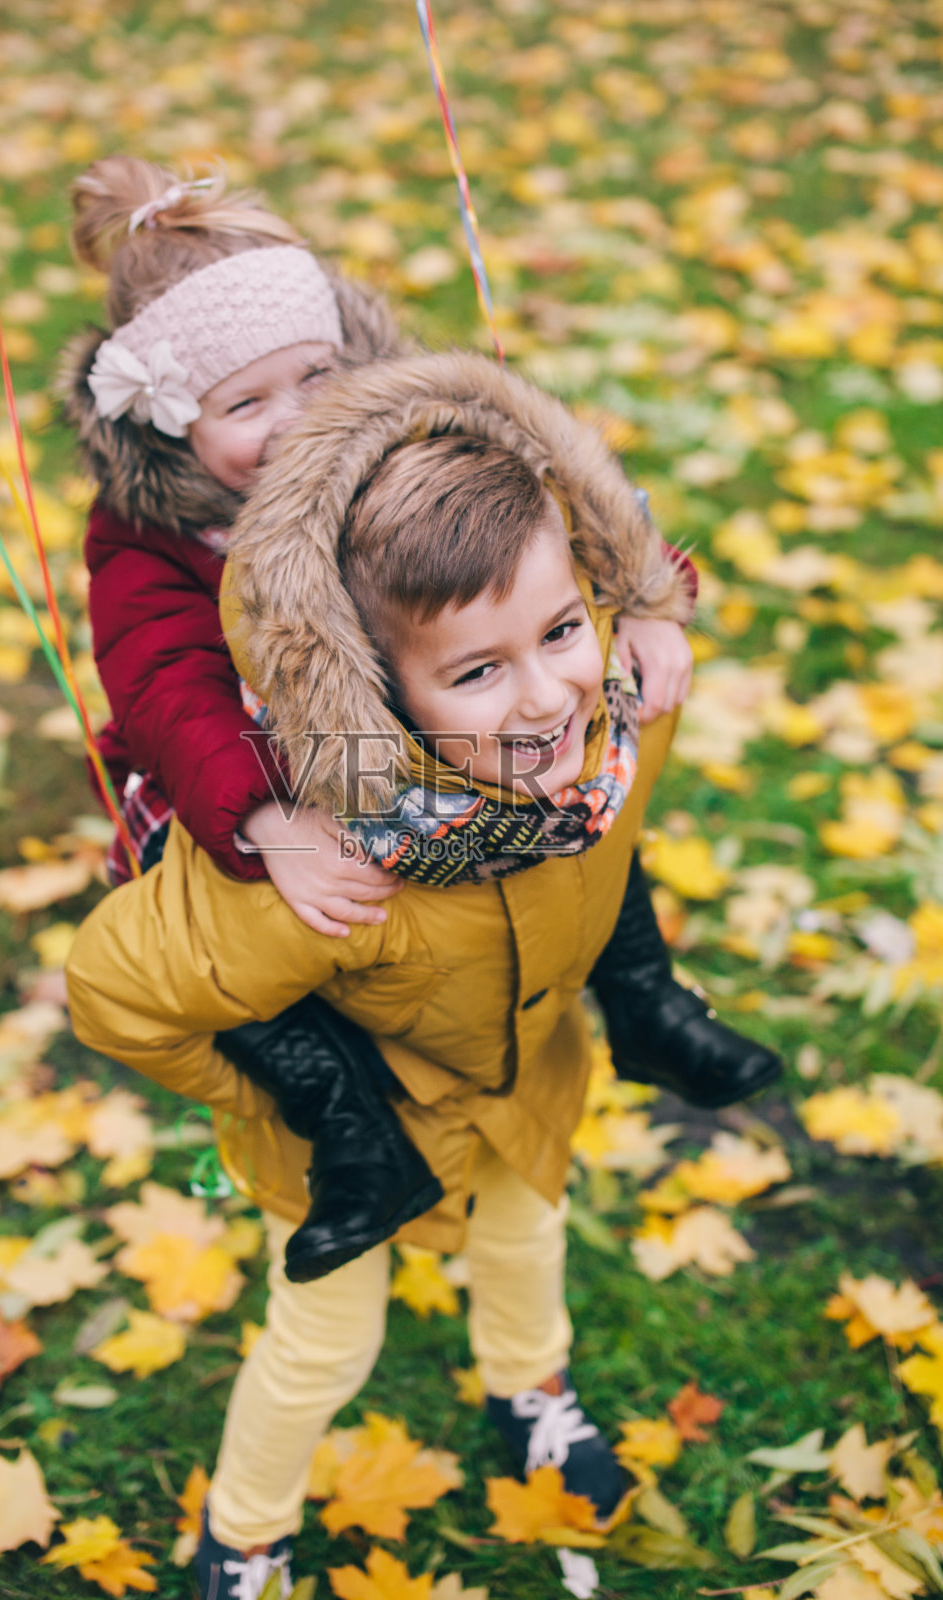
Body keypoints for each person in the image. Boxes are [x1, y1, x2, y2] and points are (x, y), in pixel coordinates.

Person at [65, 351, 776, 1597]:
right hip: (354, 1128)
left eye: (557, 632)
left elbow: (616, 604)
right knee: (324, 1340)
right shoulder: (328, 880)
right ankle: (243, 1535)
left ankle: (531, 1393)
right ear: (374, 690)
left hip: (520, 1081)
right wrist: (280, 1090)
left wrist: (653, 606)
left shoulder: (609, 725)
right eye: (475, 671)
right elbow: (118, 989)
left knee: (526, 1243)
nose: (545, 696)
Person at [62, 156, 780, 1284]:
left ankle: (640, 996)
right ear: (168, 428)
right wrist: (258, 819)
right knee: (251, 933)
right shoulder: (153, 541)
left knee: (573, 793)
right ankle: (347, 1119)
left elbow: (547, 518)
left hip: (438, 715)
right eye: (247, 405)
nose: (298, 422)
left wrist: (645, 597)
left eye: (315, 376)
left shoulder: (395, 448)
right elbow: (161, 684)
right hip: (251, 766)